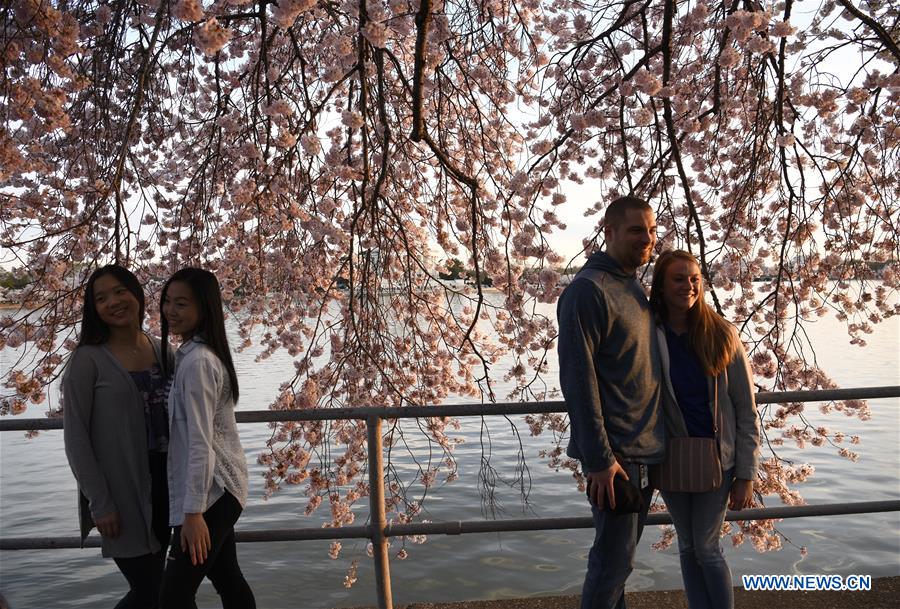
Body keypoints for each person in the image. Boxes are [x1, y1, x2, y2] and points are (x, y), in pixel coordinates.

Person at [557, 195, 665, 609]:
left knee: (620, 565)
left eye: (652, 231)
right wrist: (600, 460)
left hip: (645, 450)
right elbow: (577, 380)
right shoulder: (589, 291)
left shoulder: (631, 286)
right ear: (610, 232)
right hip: (617, 457)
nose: (647, 239)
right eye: (637, 230)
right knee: (611, 563)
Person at [649, 250, 760, 609]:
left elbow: (746, 410)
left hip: (719, 459)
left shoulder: (722, 334)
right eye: (678, 279)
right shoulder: (652, 336)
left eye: (694, 278)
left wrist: (746, 475)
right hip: (673, 457)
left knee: (707, 547)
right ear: (662, 287)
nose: (688, 285)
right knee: (686, 545)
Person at [63, 264, 172, 609]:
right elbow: (76, 438)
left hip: (168, 486)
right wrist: (100, 501)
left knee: (157, 592)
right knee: (154, 591)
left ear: (136, 294)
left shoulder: (162, 349)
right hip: (120, 491)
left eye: (120, 291)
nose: (113, 301)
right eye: (101, 298)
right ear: (93, 309)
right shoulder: (87, 360)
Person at [158, 267, 255, 609]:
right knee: (227, 578)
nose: (171, 311)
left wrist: (194, 512)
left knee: (173, 596)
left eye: (181, 303)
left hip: (213, 492)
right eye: (168, 301)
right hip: (221, 488)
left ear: (204, 308)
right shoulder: (193, 355)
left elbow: (200, 441)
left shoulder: (198, 362)